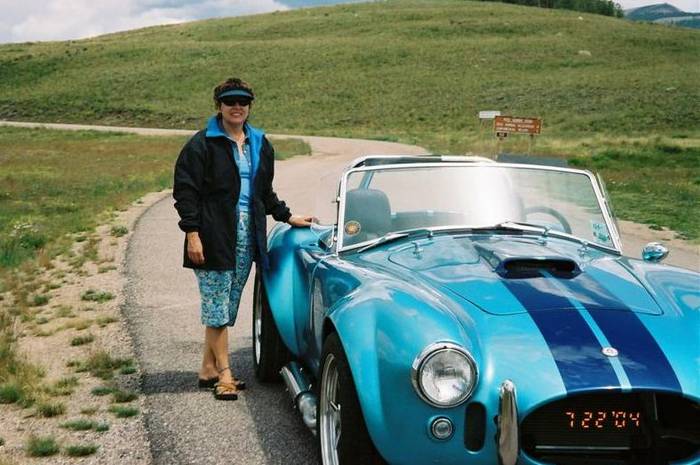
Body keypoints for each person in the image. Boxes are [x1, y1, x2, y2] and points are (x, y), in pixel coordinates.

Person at [173, 77, 312, 400]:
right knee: (217, 306)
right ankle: (224, 375)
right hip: (213, 233)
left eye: (243, 101)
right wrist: (192, 234)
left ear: (249, 106)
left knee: (227, 304)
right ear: (219, 105)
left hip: (248, 234)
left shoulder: (260, 143)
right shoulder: (201, 144)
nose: (237, 107)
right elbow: (185, 192)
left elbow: (264, 192)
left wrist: (287, 216)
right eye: (230, 101)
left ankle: (207, 368)